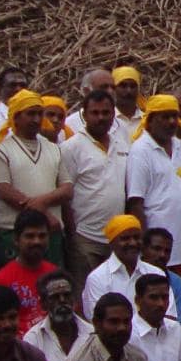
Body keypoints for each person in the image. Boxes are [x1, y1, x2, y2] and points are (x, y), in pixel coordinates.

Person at [126, 94, 181, 328]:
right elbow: (135, 201)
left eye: (174, 117)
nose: (170, 122)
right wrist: (145, 245)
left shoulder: (180, 147)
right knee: (161, 311)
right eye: (164, 117)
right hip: (158, 249)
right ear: (150, 120)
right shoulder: (141, 150)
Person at [0, 89, 69, 268]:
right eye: (30, 114)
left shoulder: (54, 148)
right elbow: (3, 189)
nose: (37, 119)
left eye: (39, 114)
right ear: (15, 117)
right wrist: (45, 215)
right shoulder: (0, 149)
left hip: (50, 233)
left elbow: (67, 189)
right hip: (14, 233)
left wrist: (41, 204)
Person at [57, 85, 127, 283]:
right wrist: (73, 236)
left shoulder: (122, 144)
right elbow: (65, 195)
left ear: (113, 115)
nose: (101, 117)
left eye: (106, 113)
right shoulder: (71, 148)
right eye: (95, 113)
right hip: (85, 239)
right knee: (86, 292)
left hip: (117, 238)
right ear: (84, 116)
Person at [0, 209, 60, 335]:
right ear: (16, 240)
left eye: (42, 236)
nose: (37, 241)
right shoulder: (1, 280)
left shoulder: (56, 275)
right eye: (30, 236)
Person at [82, 213, 168, 319]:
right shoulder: (97, 278)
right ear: (112, 243)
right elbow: (98, 321)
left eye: (137, 237)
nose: (133, 243)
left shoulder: (156, 273)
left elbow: (168, 316)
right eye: (125, 238)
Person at [109, 65, 145, 142]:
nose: (129, 91)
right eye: (123, 86)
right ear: (113, 89)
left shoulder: (147, 121)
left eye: (133, 86)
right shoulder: (107, 119)